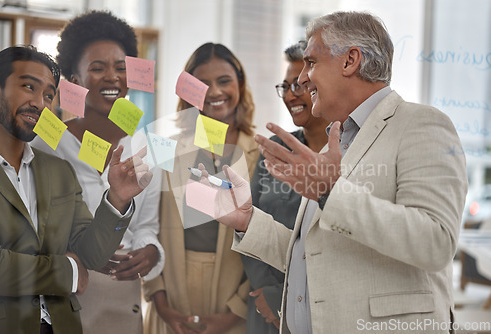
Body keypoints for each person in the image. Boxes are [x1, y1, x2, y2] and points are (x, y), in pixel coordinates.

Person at [199, 11, 467, 333]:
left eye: (311, 62)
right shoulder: (334, 145)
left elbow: (435, 242)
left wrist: (329, 191)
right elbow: (315, 255)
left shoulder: (420, 124)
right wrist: (246, 220)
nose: (301, 79)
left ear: (350, 60)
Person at [0, 45, 151, 334]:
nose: (39, 103)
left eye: (49, 95)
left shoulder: (58, 170)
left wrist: (117, 198)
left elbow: (90, 254)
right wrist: (71, 272)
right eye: (29, 87)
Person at [31, 11, 164, 334]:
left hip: (122, 297)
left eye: (121, 68)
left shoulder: (150, 149)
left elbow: (147, 227)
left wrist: (149, 252)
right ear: (73, 82)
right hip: (63, 297)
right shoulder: (47, 145)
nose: (113, 77)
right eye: (98, 68)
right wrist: (77, 251)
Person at [143, 43, 259, 334]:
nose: (215, 92)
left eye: (224, 81)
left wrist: (235, 313)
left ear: (240, 84)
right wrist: (161, 304)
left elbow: (270, 241)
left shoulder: (262, 153)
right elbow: (148, 226)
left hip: (235, 304)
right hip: (171, 299)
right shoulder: (165, 148)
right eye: (203, 84)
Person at [241, 41, 328, 333]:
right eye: (285, 86)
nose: (291, 95)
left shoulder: (347, 153)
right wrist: (269, 291)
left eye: (300, 85)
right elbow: (249, 218)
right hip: (267, 308)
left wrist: (286, 294)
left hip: (322, 307)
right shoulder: (275, 148)